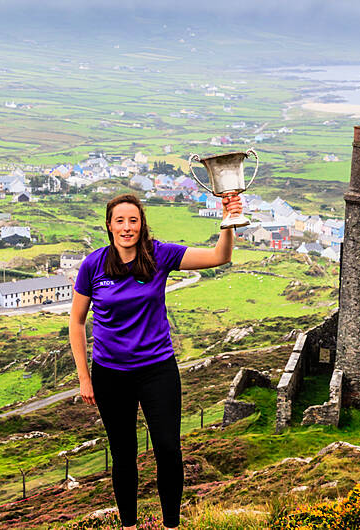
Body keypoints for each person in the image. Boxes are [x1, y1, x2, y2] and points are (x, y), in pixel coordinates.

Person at [69, 193, 242, 530]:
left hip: (157, 369)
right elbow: (76, 322)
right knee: (123, 454)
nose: (126, 227)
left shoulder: (159, 255)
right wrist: (84, 378)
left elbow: (220, 256)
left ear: (141, 223)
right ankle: (129, 526)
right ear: (109, 225)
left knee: (167, 448)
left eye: (133, 220)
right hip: (110, 374)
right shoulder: (94, 265)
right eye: (119, 220)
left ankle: (171, 526)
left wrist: (228, 221)